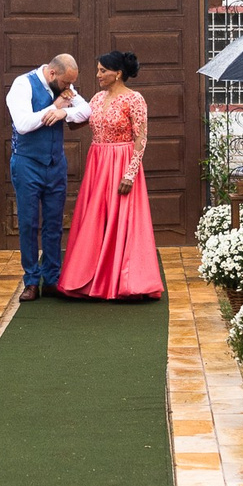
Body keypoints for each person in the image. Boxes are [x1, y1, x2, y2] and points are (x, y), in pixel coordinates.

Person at [59, 50, 162, 300]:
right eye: (98, 70)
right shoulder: (96, 98)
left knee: (122, 218)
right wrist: (68, 101)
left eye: (102, 71)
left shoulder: (134, 99)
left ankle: (125, 281)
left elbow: (141, 137)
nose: (98, 75)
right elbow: (76, 124)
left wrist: (131, 173)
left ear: (118, 74)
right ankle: (90, 277)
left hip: (122, 162)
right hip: (98, 162)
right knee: (96, 217)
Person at [4, 53, 89, 300]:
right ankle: (31, 280)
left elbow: (87, 109)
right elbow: (23, 124)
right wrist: (55, 107)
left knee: (54, 223)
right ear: (52, 73)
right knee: (28, 223)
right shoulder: (22, 85)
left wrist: (65, 114)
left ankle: (52, 278)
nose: (69, 88)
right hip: (27, 163)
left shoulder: (64, 88)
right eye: (66, 83)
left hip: (55, 164)